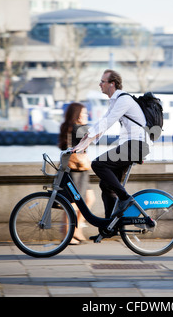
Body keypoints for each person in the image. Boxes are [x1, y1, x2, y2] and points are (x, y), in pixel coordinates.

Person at [73, 69, 150, 223]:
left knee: (98, 164)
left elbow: (108, 122)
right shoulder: (115, 101)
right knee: (106, 185)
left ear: (112, 84)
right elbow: (103, 122)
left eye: (103, 81)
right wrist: (82, 144)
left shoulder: (124, 100)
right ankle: (110, 226)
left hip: (137, 145)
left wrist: (84, 144)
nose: (100, 84)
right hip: (131, 145)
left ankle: (125, 198)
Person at [59, 102, 95, 244]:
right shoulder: (77, 128)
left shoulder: (69, 128)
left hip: (79, 169)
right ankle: (67, 234)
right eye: (83, 113)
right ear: (77, 115)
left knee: (88, 199)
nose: (86, 115)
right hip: (75, 170)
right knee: (73, 203)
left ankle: (76, 229)